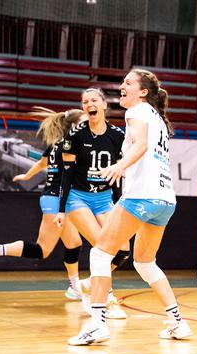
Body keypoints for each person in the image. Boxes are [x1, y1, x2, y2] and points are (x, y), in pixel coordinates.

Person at [68, 68, 192, 345]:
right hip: (165, 199)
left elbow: (142, 145)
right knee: (145, 262)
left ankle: (97, 323)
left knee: (100, 254)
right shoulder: (157, 116)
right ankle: (177, 322)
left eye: (127, 83)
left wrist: (120, 166)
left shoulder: (136, 111)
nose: (121, 87)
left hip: (142, 195)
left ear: (143, 92)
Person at [54, 87, 130, 319]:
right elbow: (66, 174)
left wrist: (118, 205)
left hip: (104, 198)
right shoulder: (75, 135)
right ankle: (105, 299)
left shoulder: (118, 136)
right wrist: (61, 209)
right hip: (78, 197)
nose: (89, 104)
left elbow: (118, 177)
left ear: (104, 105)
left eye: (94, 100)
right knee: (102, 246)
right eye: (85, 101)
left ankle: (89, 284)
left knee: (123, 250)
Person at [0, 107, 85, 298]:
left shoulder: (59, 144)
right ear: (75, 126)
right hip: (56, 200)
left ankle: (75, 288)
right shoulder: (74, 146)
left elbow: (42, 163)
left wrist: (26, 175)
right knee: (41, 250)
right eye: (84, 122)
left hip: (59, 200)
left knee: (74, 243)